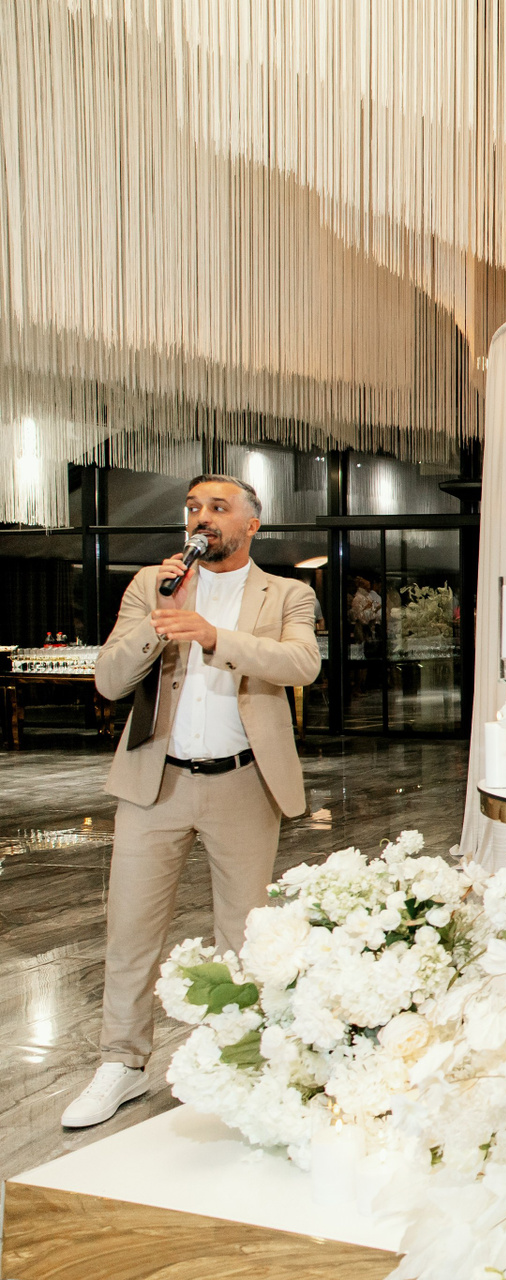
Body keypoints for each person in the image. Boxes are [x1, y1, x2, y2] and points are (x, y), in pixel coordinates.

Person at [62, 475, 321, 1129]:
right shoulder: (154, 583)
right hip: (155, 784)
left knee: (243, 935)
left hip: (244, 784)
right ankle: (122, 1063)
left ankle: (236, 1059)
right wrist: (161, 621)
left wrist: (212, 636)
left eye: (217, 507)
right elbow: (109, 680)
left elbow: (301, 664)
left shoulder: (287, 593)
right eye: (193, 507)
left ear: (251, 524)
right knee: (131, 931)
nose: (202, 517)